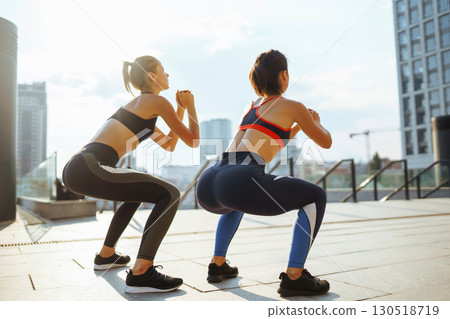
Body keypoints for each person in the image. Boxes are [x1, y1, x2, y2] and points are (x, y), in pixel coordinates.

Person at [196, 49, 332, 297]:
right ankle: (295, 276)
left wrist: (297, 128)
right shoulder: (293, 106)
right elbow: (326, 141)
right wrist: (314, 121)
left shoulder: (251, 107)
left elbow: (269, 142)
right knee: (315, 196)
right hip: (240, 178)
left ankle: (217, 265)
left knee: (235, 200)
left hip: (211, 180)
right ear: (283, 75)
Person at [62, 55, 199, 293]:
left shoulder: (143, 107)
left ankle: (106, 255)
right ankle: (142, 272)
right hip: (91, 166)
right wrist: (191, 107)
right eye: (163, 70)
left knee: (136, 194)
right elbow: (193, 141)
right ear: (152, 76)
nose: (168, 75)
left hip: (80, 166)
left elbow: (169, 144)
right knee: (171, 193)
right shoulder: (155, 102)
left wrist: (179, 108)